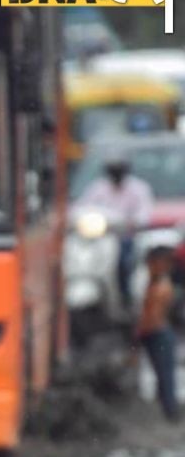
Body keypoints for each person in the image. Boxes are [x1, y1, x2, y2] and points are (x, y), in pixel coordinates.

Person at [77, 153, 154, 307]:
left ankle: (125, 295)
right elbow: (82, 207)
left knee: (125, 262)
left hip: (127, 237)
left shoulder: (138, 188)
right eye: (113, 170)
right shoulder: (98, 188)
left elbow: (144, 214)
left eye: (119, 170)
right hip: (100, 238)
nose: (116, 174)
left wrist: (132, 223)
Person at [135, 245, 179, 423]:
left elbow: (152, 316)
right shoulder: (155, 284)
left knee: (164, 374)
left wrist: (139, 334)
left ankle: (170, 412)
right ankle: (168, 411)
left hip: (158, 333)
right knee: (163, 373)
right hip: (157, 333)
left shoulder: (161, 287)